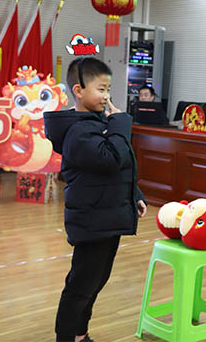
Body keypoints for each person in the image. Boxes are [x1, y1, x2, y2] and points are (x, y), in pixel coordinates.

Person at [44, 57, 147, 342]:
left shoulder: (98, 123)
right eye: (101, 89)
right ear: (78, 91)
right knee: (80, 285)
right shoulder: (79, 130)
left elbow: (120, 167)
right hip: (93, 219)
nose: (106, 96)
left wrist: (134, 194)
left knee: (96, 281)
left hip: (107, 214)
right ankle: (66, 337)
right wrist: (121, 124)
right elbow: (110, 159)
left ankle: (80, 334)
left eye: (108, 90)